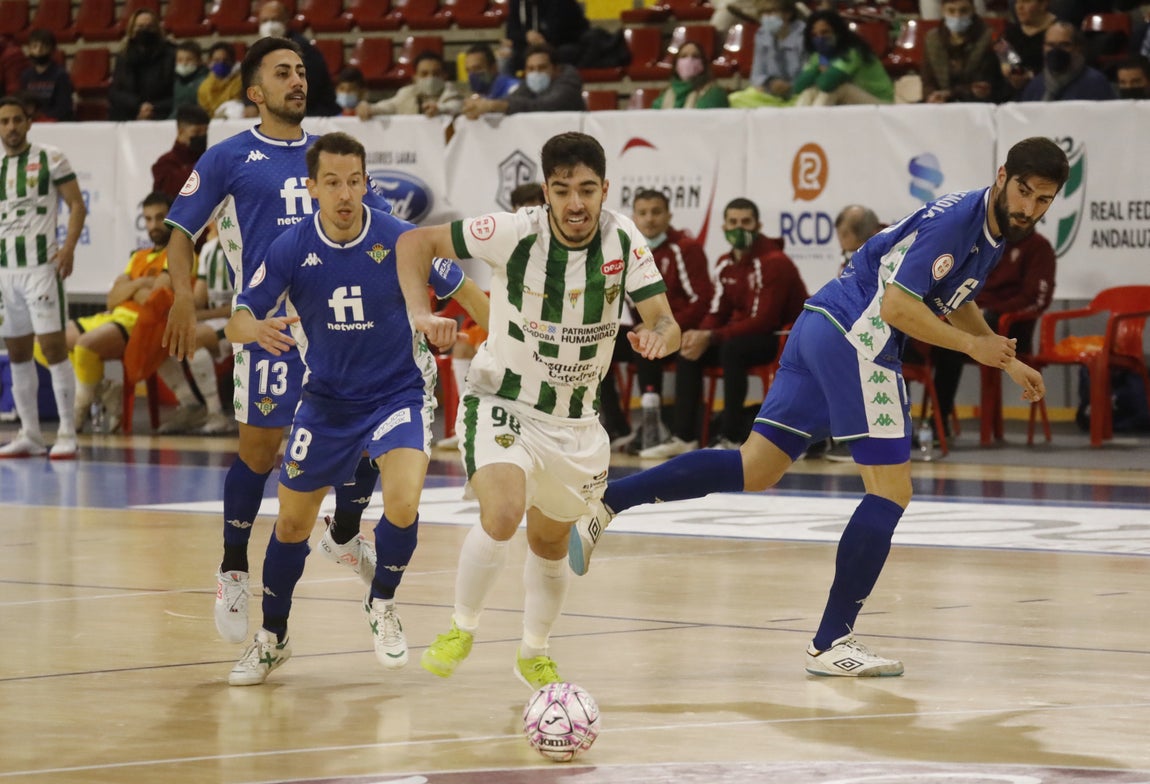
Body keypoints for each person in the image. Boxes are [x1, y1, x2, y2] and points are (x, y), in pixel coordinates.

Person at [570, 137, 1070, 679]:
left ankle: (608, 502)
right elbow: (898, 308)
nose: (1029, 208)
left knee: (756, 468)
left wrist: (1005, 360)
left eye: (1043, 200)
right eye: (1024, 192)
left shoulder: (986, 221)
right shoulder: (959, 224)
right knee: (891, 490)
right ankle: (832, 640)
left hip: (819, 326)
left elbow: (956, 296)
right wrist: (973, 346)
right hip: (860, 339)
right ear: (1002, 176)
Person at [396, 131, 680, 690]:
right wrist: (419, 314)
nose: (576, 203)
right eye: (563, 190)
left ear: (605, 190)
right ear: (546, 191)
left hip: (577, 425)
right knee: (503, 513)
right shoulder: (514, 232)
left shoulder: (625, 238)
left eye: (587, 190)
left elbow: (666, 321)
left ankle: (534, 651)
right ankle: (461, 627)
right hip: (503, 401)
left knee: (549, 544)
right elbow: (414, 243)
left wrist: (658, 337)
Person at [161, 37, 400, 647]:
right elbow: (181, 232)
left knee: (371, 435)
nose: (297, 80)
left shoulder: (329, 158)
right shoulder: (228, 156)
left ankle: (343, 532)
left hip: (338, 324)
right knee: (260, 452)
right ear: (254, 91)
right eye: (282, 73)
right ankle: (232, 569)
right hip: (268, 327)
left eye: (300, 71)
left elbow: (381, 227)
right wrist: (183, 297)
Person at [223, 131, 484, 685]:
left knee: (404, 502)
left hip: (398, 393)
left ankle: (381, 601)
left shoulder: (403, 238)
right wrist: (254, 327)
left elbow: (466, 291)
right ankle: (272, 638)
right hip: (326, 402)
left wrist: (515, 340)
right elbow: (238, 318)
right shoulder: (291, 246)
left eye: (355, 181)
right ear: (312, 187)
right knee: (290, 524)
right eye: (333, 182)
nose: (345, 193)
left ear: (367, 183)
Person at [641, 197, 807, 457]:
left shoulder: (774, 262)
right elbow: (717, 311)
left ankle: (731, 436)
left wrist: (711, 335)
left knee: (732, 350)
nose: (739, 228)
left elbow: (763, 320)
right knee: (689, 348)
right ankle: (684, 436)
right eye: (733, 222)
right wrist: (700, 334)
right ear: (724, 226)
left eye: (745, 222)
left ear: (758, 225)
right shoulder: (725, 263)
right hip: (739, 336)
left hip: (777, 339)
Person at [0, 97, 87, 459]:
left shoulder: (51, 157)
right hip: (5, 273)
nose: (11, 127)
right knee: (17, 353)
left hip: (41, 269)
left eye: (17, 120)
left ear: (29, 122)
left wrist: (68, 248)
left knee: (52, 348)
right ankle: (31, 434)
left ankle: (67, 432)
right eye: (4, 121)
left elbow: (77, 204)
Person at [606, 188, 714, 451]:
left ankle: (672, 432)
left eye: (656, 212)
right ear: (633, 217)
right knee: (600, 342)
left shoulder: (685, 248)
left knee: (654, 342)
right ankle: (619, 428)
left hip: (681, 331)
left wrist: (663, 325)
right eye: (642, 213)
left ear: (669, 215)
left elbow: (702, 299)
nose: (649, 219)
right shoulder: (626, 250)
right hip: (647, 331)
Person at [60, 192, 173, 434]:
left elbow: (155, 298)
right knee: (48, 343)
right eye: (148, 219)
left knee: (84, 345)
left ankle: (77, 413)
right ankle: (105, 390)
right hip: (114, 316)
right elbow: (112, 299)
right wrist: (139, 285)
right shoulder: (138, 256)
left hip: (142, 324)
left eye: (159, 218)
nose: (153, 225)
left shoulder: (178, 254)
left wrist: (129, 288)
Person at [931, 229, 1057, 434]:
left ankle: (937, 422)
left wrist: (993, 312)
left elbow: (1036, 299)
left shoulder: (1038, 247)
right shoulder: (989, 243)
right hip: (973, 313)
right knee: (938, 341)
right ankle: (933, 421)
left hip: (1012, 327)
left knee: (958, 338)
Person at [256, 0, 340, 117]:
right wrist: (250, 104)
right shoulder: (260, 50)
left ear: (287, 21)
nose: (269, 25)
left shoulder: (302, 48)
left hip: (314, 112)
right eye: (264, 21)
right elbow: (251, 79)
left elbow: (307, 87)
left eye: (275, 20)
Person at [793, 10, 894, 106]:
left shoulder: (852, 52)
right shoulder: (818, 56)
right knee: (809, 91)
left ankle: (816, 118)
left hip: (880, 103)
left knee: (838, 88)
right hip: (854, 103)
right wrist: (819, 68)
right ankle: (799, 118)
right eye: (814, 35)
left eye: (825, 32)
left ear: (838, 33)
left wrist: (818, 71)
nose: (820, 38)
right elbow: (799, 87)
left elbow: (826, 84)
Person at [463, 44, 583, 118]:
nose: (535, 73)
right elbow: (513, 99)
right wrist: (483, 107)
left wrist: (497, 105)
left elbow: (547, 105)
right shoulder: (528, 84)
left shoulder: (568, 84)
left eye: (542, 67)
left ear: (556, 69)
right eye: (530, 68)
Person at [921, 0, 1007, 104]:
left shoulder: (990, 37)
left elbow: (986, 82)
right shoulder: (932, 39)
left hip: (977, 103)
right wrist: (932, 96)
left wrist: (950, 94)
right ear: (943, 11)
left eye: (964, 11)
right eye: (951, 11)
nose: (957, 16)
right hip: (941, 104)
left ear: (973, 10)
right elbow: (927, 80)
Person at [728, 0, 806, 108]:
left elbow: (809, 71)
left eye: (772, 12)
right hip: (770, 92)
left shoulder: (804, 34)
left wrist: (790, 86)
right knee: (733, 100)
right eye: (764, 13)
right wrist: (768, 83)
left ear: (788, 13)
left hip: (798, 92)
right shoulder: (761, 34)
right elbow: (757, 73)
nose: (767, 17)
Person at [108, 8, 176, 121]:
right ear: (132, 29)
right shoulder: (123, 55)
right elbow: (115, 92)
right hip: (129, 113)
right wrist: (139, 106)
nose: (144, 30)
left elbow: (175, 92)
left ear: (157, 29)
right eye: (140, 26)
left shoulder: (170, 54)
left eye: (149, 26)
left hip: (162, 113)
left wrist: (152, 108)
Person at [1019, 22, 1116, 101]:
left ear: (1077, 48)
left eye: (1064, 45)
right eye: (1050, 45)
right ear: (1043, 48)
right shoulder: (1035, 86)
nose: (1056, 50)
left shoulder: (1095, 83)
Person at [356, 51, 465, 118]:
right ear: (415, 77)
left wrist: (439, 108)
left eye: (436, 73)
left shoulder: (452, 93)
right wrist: (370, 108)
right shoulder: (407, 93)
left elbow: (456, 106)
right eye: (424, 74)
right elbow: (390, 105)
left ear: (444, 76)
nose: (430, 78)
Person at [501, 0, 589, 75]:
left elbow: (564, 31)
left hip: (562, 44)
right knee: (508, 58)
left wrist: (542, 40)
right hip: (531, 46)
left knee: (561, 54)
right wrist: (526, 35)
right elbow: (510, 31)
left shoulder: (561, 3)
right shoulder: (517, 2)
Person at [1000, 0, 1058, 98]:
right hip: (1013, 96)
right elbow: (1007, 59)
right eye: (1017, 2)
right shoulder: (1011, 31)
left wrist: (1029, 75)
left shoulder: (1059, 32)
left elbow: (1059, 67)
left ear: (1043, 4)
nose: (1019, 7)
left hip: (1048, 92)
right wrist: (1007, 68)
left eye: (1026, 1)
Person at [151, 103, 209, 201]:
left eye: (205, 132)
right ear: (181, 131)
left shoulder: (208, 159)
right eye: (196, 132)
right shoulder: (165, 164)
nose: (202, 136)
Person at [651, 41, 730, 109]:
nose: (689, 60)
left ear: (703, 64)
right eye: (683, 56)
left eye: (695, 56)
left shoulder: (714, 94)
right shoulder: (664, 95)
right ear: (676, 65)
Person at [19, 29, 73, 122]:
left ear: (52, 50)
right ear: (29, 49)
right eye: (34, 46)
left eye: (43, 47)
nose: (38, 51)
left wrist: (43, 119)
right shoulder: (26, 76)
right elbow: (24, 103)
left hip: (55, 123)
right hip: (32, 121)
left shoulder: (61, 75)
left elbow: (63, 107)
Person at [198, 42, 243, 118]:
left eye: (225, 60)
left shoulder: (241, 82)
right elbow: (204, 112)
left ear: (233, 61)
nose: (221, 63)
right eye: (216, 60)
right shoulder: (204, 87)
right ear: (210, 62)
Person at [171, 40, 209, 118]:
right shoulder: (177, 81)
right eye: (179, 60)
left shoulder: (205, 81)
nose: (184, 63)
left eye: (189, 59)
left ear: (199, 61)